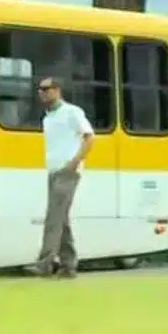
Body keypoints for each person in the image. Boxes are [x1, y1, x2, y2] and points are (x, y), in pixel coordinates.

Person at [35, 77, 95, 278]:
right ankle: (68, 266)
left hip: (67, 173)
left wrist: (75, 162)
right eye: (40, 89)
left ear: (57, 90)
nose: (41, 92)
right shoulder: (47, 118)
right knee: (62, 220)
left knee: (53, 217)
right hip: (53, 173)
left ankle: (44, 264)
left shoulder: (72, 112)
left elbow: (89, 137)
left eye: (46, 89)